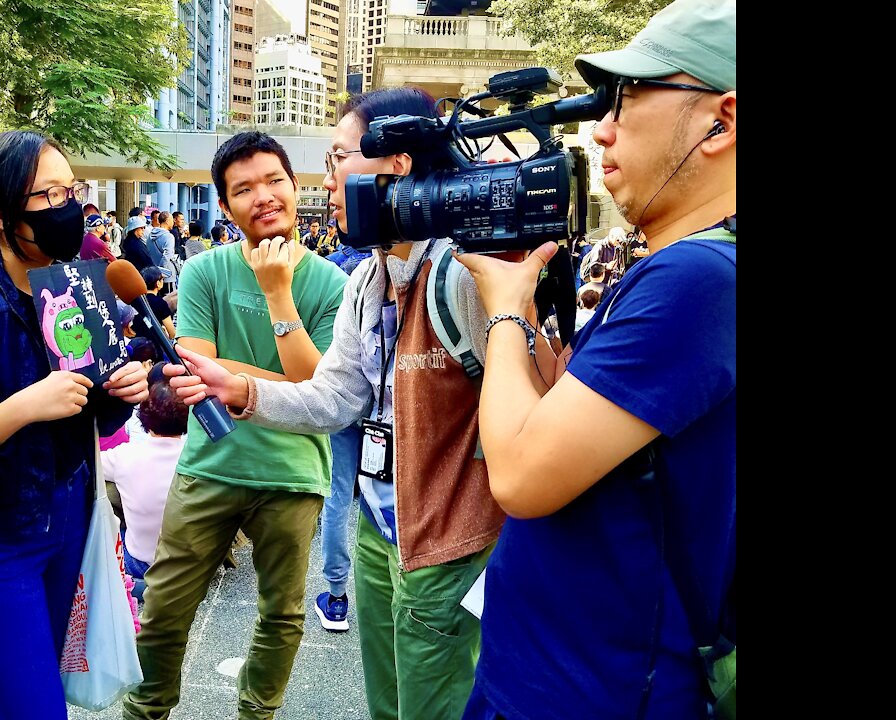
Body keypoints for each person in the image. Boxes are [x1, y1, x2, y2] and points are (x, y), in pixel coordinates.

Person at [164, 88, 514, 720]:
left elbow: (525, 407)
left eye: (337, 159)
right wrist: (240, 389)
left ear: (397, 165)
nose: (325, 182)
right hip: (380, 532)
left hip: (448, 541)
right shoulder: (365, 278)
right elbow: (334, 397)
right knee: (389, 708)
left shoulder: (464, 274)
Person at [457, 1, 735, 718]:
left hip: (592, 690)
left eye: (630, 98)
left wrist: (506, 308)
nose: (602, 128)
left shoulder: (698, 279)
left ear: (723, 122)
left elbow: (518, 475)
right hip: (561, 672)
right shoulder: (674, 266)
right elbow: (564, 421)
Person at [0, 130, 150, 718]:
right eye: (48, 195)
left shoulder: (78, 284)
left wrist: (125, 390)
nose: (69, 206)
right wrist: (16, 410)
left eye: (71, 189)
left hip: (69, 518)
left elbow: (98, 408)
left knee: (55, 692)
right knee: (35, 710)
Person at [123, 131, 347, 720]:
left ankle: (257, 713)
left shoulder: (332, 285)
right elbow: (195, 365)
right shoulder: (204, 272)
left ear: (295, 187)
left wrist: (278, 296)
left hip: (294, 471)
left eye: (274, 180)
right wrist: (283, 380)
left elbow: (323, 392)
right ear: (225, 207)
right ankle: (146, 709)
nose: (263, 197)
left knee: (283, 613)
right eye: (243, 189)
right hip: (210, 465)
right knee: (165, 604)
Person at [100, 379, 189, 594]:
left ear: (143, 417)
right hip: (190, 563)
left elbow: (94, 465)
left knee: (109, 500)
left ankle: (130, 583)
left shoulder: (124, 455)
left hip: (141, 562)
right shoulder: (197, 456)